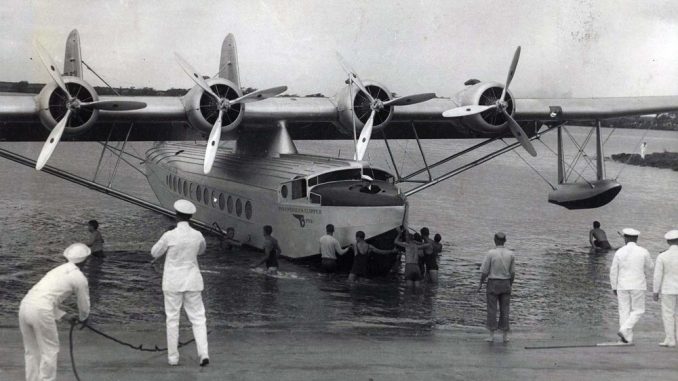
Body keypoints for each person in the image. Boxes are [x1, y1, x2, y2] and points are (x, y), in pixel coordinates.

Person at [19, 243, 91, 381]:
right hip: (41, 310)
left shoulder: (57, 270)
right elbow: (84, 303)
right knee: (49, 351)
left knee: (32, 351)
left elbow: (43, 298)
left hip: (25, 306)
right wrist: (84, 318)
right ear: (86, 260)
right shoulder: (79, 278)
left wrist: (63, 315)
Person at [151, 199, 209, 366]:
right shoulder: (198, 235)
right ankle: (203, 353)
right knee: (198, 318)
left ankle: (173, 358)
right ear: (190, 217)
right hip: (193, 280)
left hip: (172, 282)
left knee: (172, 319)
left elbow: (154, 252)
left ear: (176, 216)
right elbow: (202, 250)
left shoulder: (169, 235)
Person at [610, 228, 653, 344]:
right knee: (638, 310)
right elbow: (650, 267)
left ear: (625, 238)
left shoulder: (619, 252)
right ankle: (624, 331)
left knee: (623, 311)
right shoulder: (643, 251)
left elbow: (613, 270)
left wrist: (614, 286)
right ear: (636, 238)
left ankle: (626, 339)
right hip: (638, 285)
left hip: (622, 285)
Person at [479, 232, 515, 343]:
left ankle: (491, 335)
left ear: (495, 240)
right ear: (505, 240)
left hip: (493, 282)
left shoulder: (491, 253)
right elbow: (512, 273)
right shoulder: (511, 254)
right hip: (506, 283)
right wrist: (510, 284)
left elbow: (485, 271)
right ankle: (505, 336)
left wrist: (480, 283)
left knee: (492, 309)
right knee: (505, 309)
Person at [653, 230, 678, 347]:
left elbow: (658, 275)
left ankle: (670, 340)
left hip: (668, 288)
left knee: (668, 314)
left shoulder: (662, 256)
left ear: (668, 241)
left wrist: (655, 291)